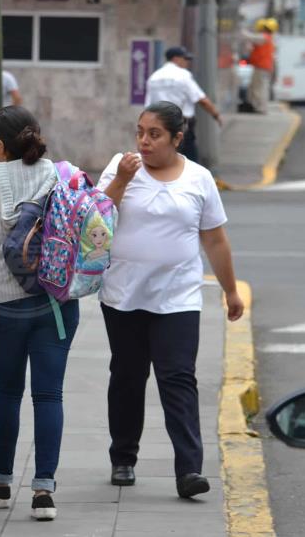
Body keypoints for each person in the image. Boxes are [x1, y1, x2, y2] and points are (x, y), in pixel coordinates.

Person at [97, 101, 244, 498]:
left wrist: (230, 290)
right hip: (123, 295)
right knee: (127, 377)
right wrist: (122, 180)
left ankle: (189, 470)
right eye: (140, 132)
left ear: (178, 138)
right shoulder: (120, 166)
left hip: (178, 298)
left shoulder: (199, 179)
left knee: (178, 378)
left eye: (155, 134)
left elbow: (214, 239)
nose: (144, 141)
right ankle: (123, 458)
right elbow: (94, 221)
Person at [0, 106, 79, 521]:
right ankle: (44, 491)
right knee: (49, 394)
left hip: (5, 305)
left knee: (8, 392)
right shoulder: (62, 175)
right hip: (56, 301)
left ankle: (1, 482)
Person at [144, 46, 222, 164]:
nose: (187, 62)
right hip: (180, 124)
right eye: (185, 59)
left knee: (163, 157)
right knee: (188, 159)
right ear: (176, 59)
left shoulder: (154, 77)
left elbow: (148, 105)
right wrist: (216, 115)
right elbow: (202, 99)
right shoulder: (183, 75)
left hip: (158, 124)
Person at [242, 18, 277, 114]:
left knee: (259, 88)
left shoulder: (264, 37)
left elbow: (250, 37)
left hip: (261, 67)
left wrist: (241, 31)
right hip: (262, 67)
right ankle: (257, 106)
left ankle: (260, 108)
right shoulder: (269, 38)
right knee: (257, 87)